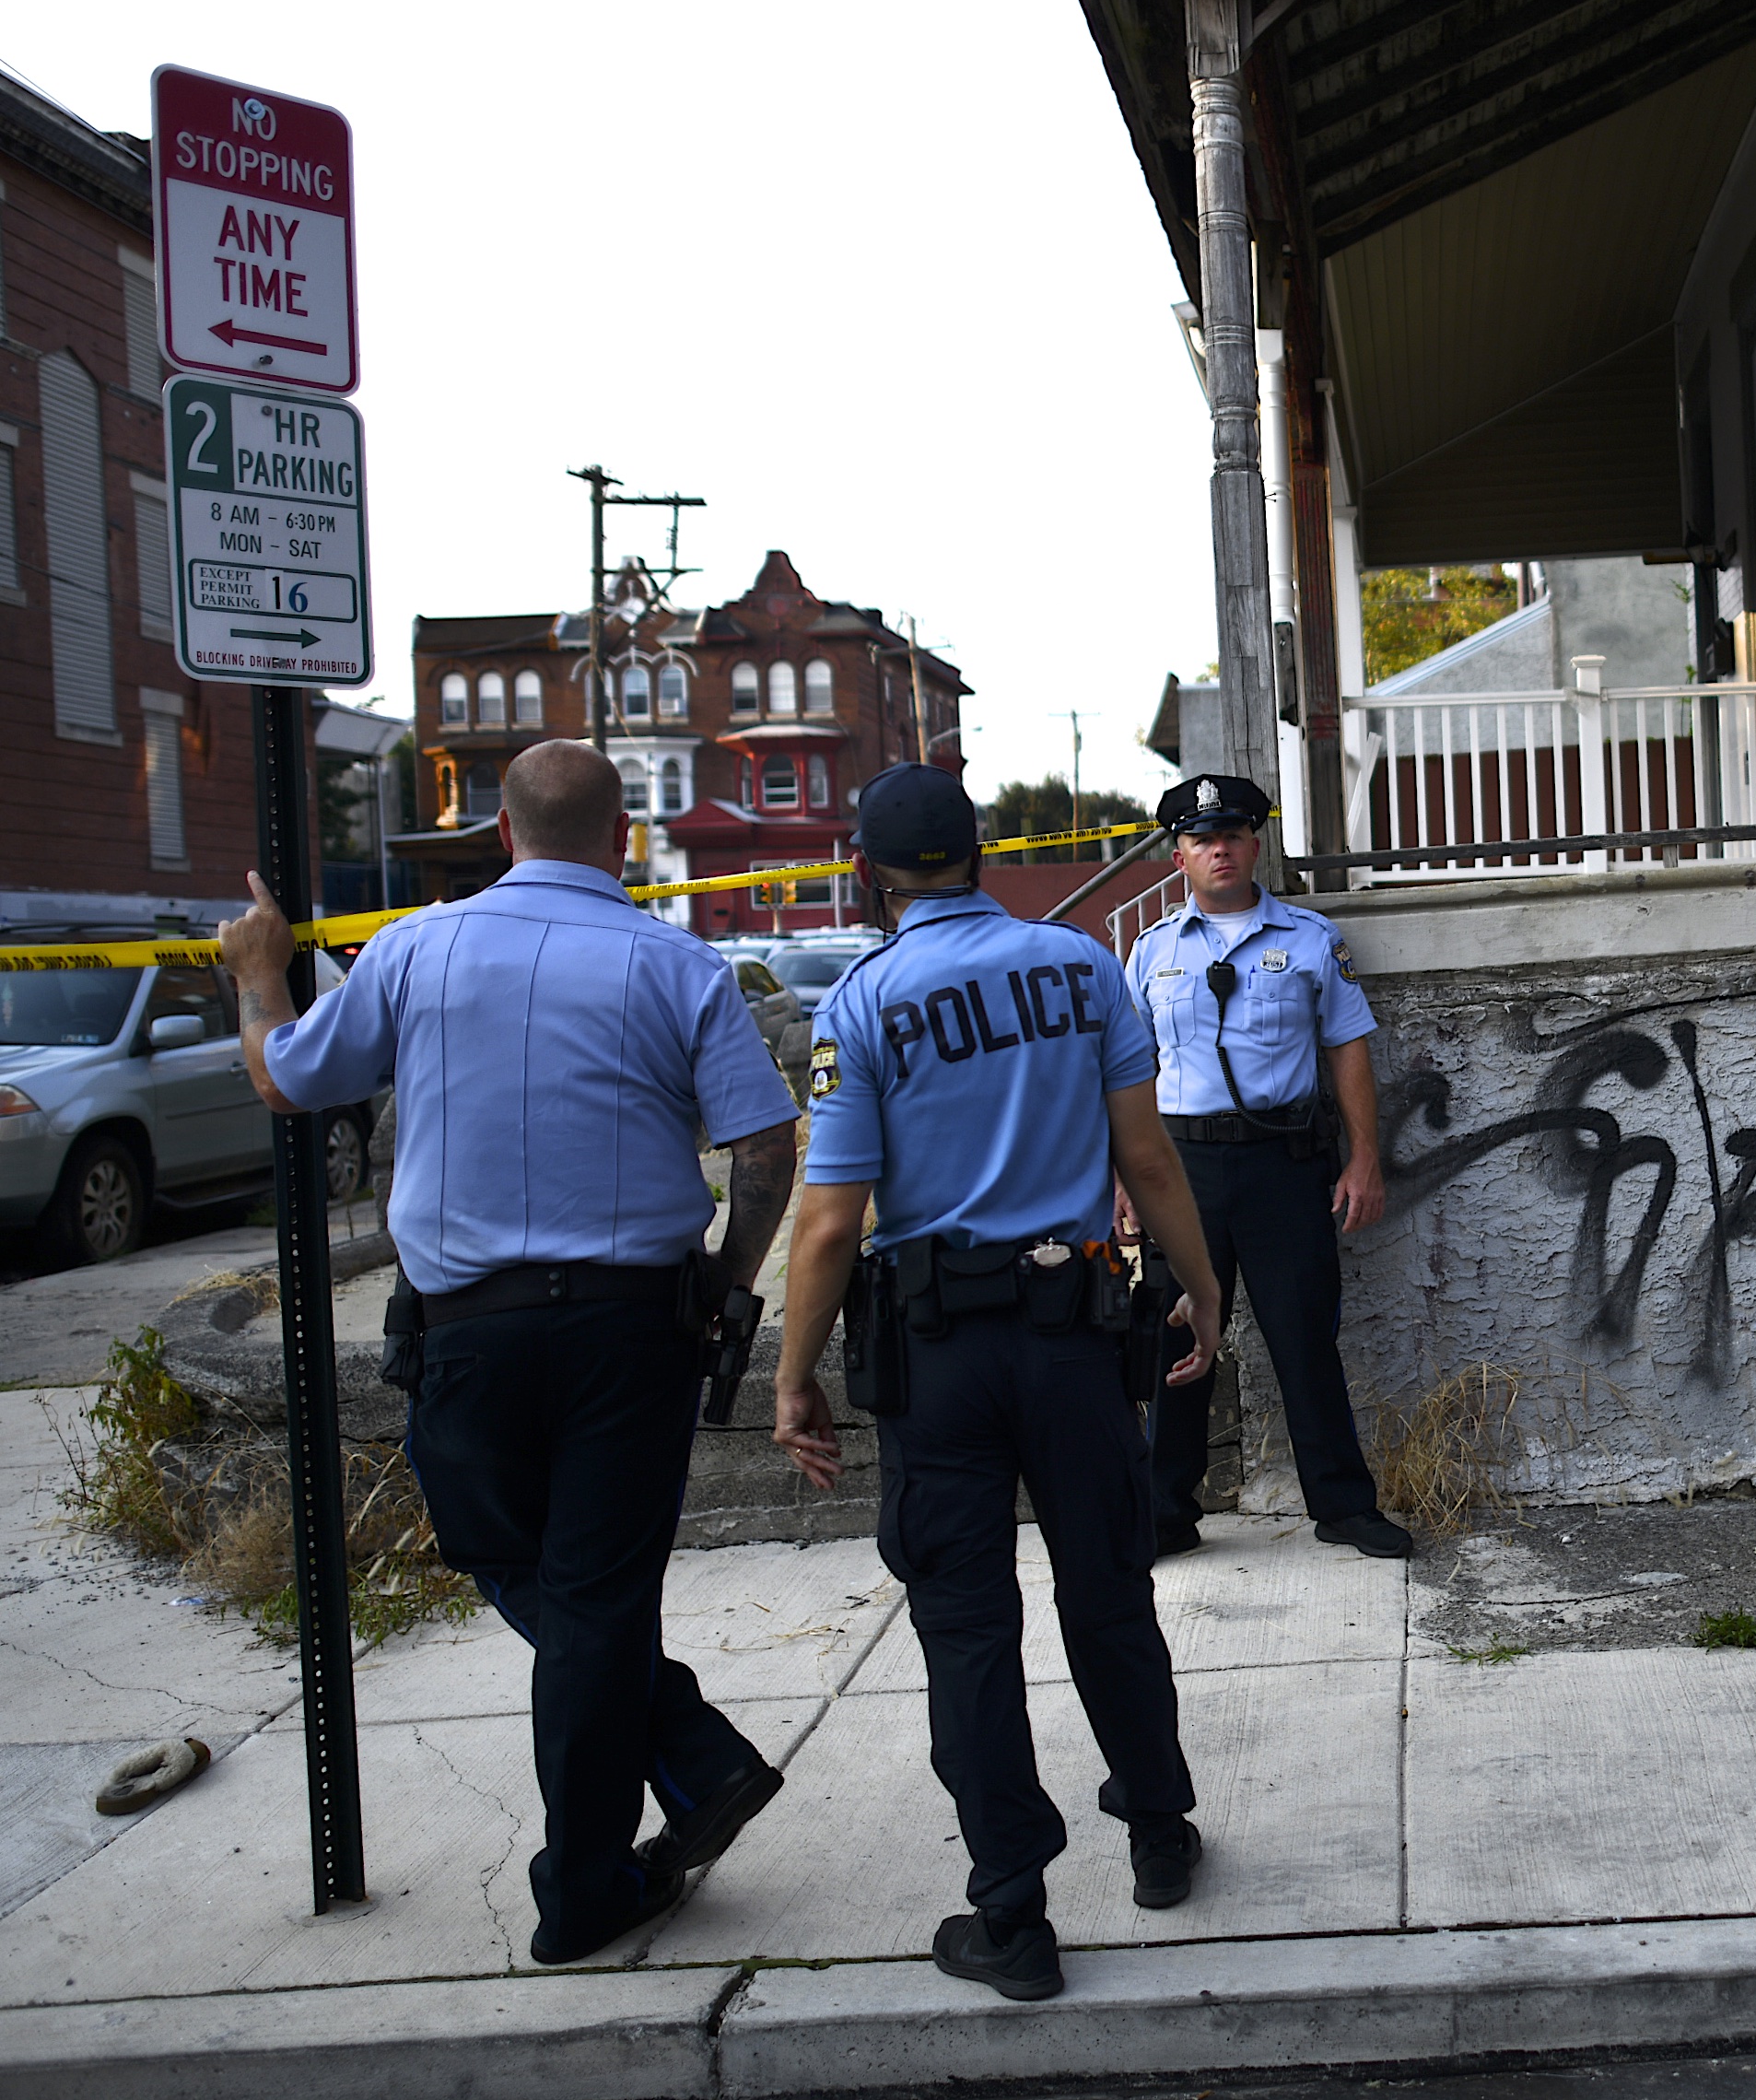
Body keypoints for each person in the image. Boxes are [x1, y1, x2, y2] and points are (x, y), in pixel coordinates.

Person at [218, 740, 800, 1965]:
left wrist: (257, 973)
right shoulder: (678, 963)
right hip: (630, 1328)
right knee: (592, 1595)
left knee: (514, 1566)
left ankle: (592, 1879)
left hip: (468, 1334)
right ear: (622, 838)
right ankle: (690, 1762)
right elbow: (762, 1147)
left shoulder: (417, 950)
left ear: (500, 832)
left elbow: (284, 1077)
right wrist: (725, 1289)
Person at [769, 763, 1227, 2003]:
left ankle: (1013, 1915)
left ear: (871, 874)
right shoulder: (1081, 965)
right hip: (1076, 1339)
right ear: (980, 853)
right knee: (1108, 1590)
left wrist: (794, 1374)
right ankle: (1158, 1832)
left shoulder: (861, 1002)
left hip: (939, 1363)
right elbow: (1149, 1154)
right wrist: (1202, 1286)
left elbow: (827, 1222)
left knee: (967, 1631)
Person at [1121, 772, 1410, 1560]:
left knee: (1304, 1336)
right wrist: (1121, 1178)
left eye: (1235, 835)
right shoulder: (1150, 952)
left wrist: (1364, 1159)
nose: (1220, 849)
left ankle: (1344, 1506)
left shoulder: (1310, 940)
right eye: (1202, 838)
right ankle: (1164, 1513)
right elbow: (1127, 1069)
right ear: (1178, 854)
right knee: (1177, 1342)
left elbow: (1347, 1046)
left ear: (1256, 845)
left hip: (1285, 1162)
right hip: (1181, 1172)